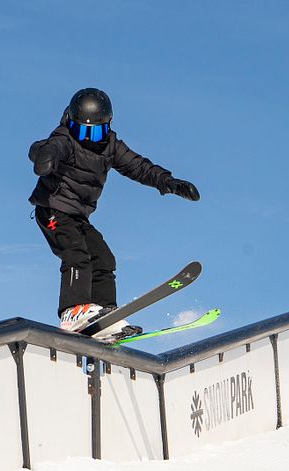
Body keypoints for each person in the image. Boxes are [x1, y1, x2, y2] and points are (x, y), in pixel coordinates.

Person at [28, 87, 200, 337]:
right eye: (82, 130)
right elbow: (46, 148)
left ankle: (104, 313)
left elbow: (138, 167)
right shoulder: (65, 139)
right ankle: (73, 310)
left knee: (103, 258)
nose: (88, 137)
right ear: (70, 122)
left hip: (76, 215)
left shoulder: (110, 145)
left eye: (96, 131)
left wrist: (168, 182)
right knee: (76, 253)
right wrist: (42, 156)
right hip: (52, 210)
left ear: (107, 126)